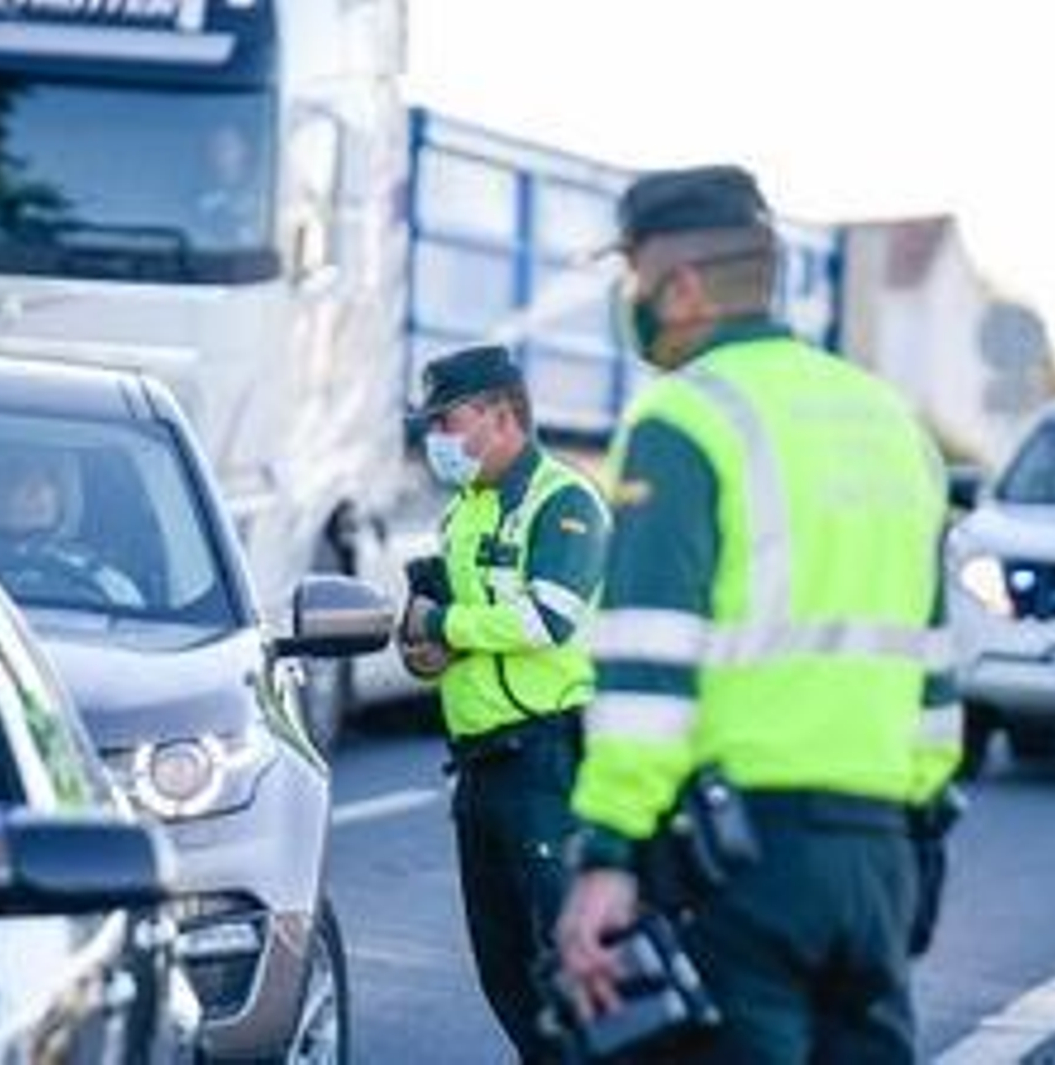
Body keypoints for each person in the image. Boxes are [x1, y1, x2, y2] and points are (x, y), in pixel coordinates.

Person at [555, 166, 956, 1062]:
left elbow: (648, 661)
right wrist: (915, 833)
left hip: (739, 861)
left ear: (682, 287)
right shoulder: (893, 424)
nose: (630, 301)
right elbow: (936, 674)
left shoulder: (685, 419)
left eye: (632, 278)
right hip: (879, 853)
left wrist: (610, 851)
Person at [396, 344, 610, 1064]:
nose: (437, 440)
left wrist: (443, 627)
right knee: (504, 965)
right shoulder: (463, 513)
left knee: (567, 963)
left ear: (500, 414)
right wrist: (423, 646)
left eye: (448, 421)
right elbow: (456, 622)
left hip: (546, 762)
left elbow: (547, 617)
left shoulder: (565, 502)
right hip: (480, 765)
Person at [0, 442, 144, 609]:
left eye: (49, 477)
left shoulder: (111, 584)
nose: (22, 492)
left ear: (67, 495)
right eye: (12, 474)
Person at [191, 121, 264, 249]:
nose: (220, 153)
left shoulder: (265, 192)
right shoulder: (198, 199)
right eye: (214, 146)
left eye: (227, 146)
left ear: (244, 149)